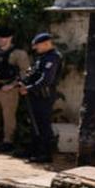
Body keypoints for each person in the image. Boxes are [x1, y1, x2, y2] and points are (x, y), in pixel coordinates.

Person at [0, 28, 30, 152]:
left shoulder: (18, 53)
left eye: (4, 37)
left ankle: (8, 141)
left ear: (10, 38)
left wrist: (13, 85)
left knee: (9, 117)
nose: (1, 40)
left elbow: (26, 72)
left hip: (9, 89)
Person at [17, 32, 62, 163]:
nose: (36, 48)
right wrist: (24, 82)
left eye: (38, 46)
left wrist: (28, 88)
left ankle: (46, 154)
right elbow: (33, 74)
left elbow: (46, 80)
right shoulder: (43, 57)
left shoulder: (53, 58)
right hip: (35, 96)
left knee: (43, 125)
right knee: (35, 124)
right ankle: (35, 152)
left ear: (47, 44)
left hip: (44, 96)